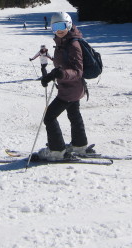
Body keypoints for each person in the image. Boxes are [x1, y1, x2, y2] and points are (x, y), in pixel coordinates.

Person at [38, 12, 89, 161]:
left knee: (49, 117)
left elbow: (78, 71)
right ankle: (79, 146)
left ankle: (57, 151)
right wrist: (51, 75)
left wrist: (61, 74)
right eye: (55, 27)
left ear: (68, 24)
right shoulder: (62, 42)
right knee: (74, 114)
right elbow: (62, 66)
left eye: (62, 26)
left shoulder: (73, 44)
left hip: (71, 89)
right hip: (74, 88)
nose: (59, 30)